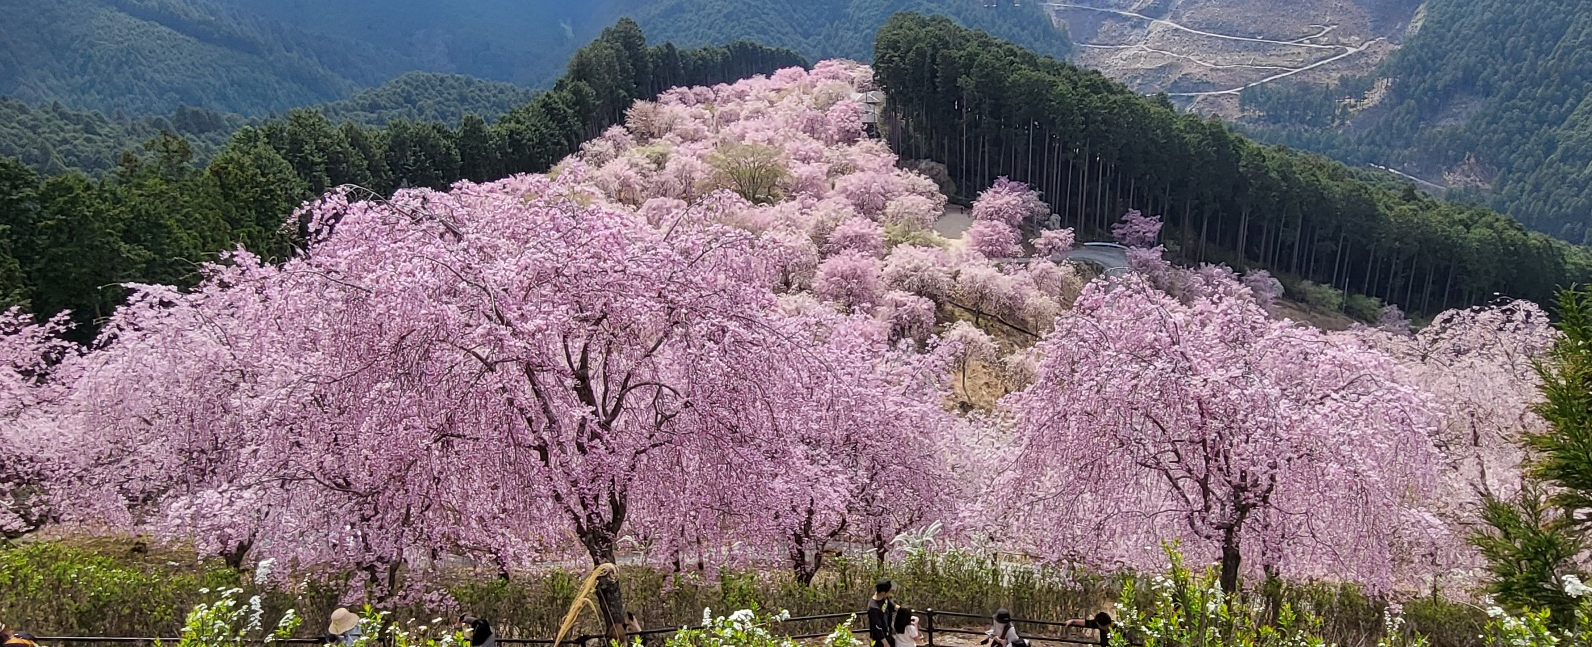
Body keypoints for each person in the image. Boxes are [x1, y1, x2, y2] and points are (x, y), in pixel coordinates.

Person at [867, 579, 898, 647]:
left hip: (888, 633)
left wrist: (902, 610)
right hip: (880, 640)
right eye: (890, 591)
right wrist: (885, 643)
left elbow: (891, 605)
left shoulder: (884, 598)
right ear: (883, 592)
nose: (891, 592)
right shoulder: (873, 608)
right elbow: (877, 628)